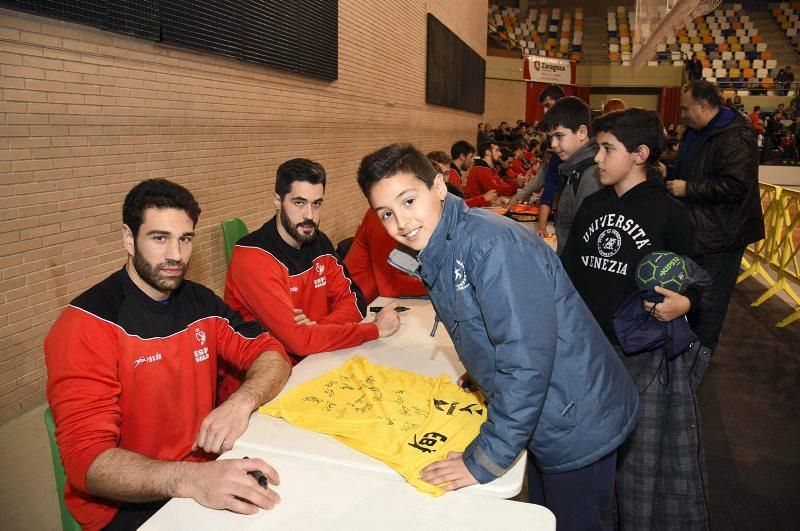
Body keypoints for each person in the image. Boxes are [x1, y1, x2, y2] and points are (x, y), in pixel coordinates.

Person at [356, 143, 639, 530]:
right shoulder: (444, 245)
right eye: (386, 213)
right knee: (546, 515)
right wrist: (483, 369)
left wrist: (484, 460)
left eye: (408, 201)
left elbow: (526, 361)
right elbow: (490, 324)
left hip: (578, 420)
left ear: (439, 187)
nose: (401, 222)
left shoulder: (492, 246)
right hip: (554, 413)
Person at [45, 179, 292, 530]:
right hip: (129, 505)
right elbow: (88, 463)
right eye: (160, 238)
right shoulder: (85, 325)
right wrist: (190, 479)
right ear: (129, 239)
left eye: (185, 239)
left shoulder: (201, 302)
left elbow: (271, 352)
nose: (175, 254)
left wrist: (241, 401)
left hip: (201, 469)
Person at [561, 108, 709, 529]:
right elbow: (568, 273)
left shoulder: (670, 214)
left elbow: (697, 281)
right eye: (597, 149)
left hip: (636, 355)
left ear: (640, 154)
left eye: (608, 149)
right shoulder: (592, 204)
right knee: (588, 449)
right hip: (586, 348)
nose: (599, 159)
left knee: (635, 455)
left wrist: (686, 303)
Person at [222, 158, 401, 399]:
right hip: (262, 389)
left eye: (316, 204)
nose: (309, 215)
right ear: (277, 200)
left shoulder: (319, 242)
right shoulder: (253, 257)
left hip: (316, 363)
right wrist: (374, 329)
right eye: (299, 203)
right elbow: (299, 342)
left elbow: (355, 301)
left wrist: (316, 328)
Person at [670, 80, 764, 360]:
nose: (683, 115)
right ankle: (687, 353)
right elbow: (693, 166)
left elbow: (736, 186)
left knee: (710, 303)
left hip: (722, 235)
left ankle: (700, 359)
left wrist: (688, 188)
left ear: (703, 105)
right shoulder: (696, 131)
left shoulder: (735, 136)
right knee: (692, 297)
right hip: (698, 228)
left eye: (687, 109)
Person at [538, 95, 603, 254]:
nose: (553, 144)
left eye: (559, 136)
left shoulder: (592, 176)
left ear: (581, 132)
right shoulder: (572, 169)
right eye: (551, 138)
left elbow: (590, 241)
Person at [509, 83, 567, 239]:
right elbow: (548, 180)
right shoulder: (555, 156)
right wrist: (541, 226)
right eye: (552, 138)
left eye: (548, 105)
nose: (555, 144)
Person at [343, 208, 427, 303]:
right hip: (358, 302)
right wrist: (434, 285)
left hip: (375, 298)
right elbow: (388, 286)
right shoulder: (381, 217)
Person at [447, 141, 499, 207]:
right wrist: (484, 198)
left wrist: (489, 202)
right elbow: (457, 205)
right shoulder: (452, 174)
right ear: (462, 156)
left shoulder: (455, 173)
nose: (472, 161)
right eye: (471, 157)